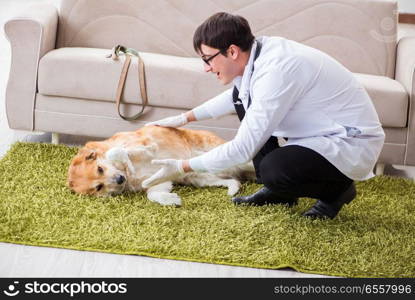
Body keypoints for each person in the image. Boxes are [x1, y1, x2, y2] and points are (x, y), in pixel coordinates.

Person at [142, 12, 385, 219]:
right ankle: (280, 193)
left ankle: (338, 191)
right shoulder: (259, 53)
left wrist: (182, 166)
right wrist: (185, 118)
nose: (206, 68)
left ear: (233, 51)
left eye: (208, 59)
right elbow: (239, 96)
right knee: (242, 102)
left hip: (349, 142)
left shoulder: (277, 71)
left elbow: (241, 150)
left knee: (275, 169)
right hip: (320, 131)